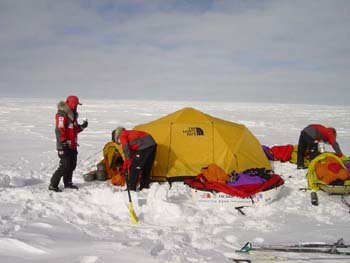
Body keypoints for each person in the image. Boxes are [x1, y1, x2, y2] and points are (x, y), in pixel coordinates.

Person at [49, 95, 88, 192]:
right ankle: (53, 185)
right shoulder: (62, 115)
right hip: (64, 146)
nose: (76, 107)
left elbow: (74, 130)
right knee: (64, 166)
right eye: (76, 105)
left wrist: (82, 126)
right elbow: (59, 130)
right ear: (72, 104)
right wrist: (63, 142)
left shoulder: (72, 117)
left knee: (71, 165)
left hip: (72, 145)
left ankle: (68, 183)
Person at [112, 127, 157, 191]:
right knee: (146, 167)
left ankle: (131, 188)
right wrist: (125, 167)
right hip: (152, 144)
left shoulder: (122, 135)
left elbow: (126, 149)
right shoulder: (129, 134)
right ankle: (144, 186)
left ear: (116, 136)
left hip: (144, 147)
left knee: (134, 169)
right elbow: (129, 156)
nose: (120, 143)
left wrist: (127, 167)